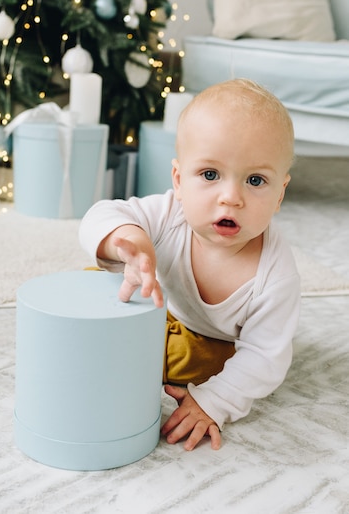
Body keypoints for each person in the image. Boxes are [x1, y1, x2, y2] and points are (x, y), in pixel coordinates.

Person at [79, 78, 301, 452]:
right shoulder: (170, 214)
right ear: (179, 181)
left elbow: (265, 357)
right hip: (158, 303)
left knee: (206, 363)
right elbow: (102, 213)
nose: (231, 198)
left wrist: (213, 402)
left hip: (213, 337)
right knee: (98, 280)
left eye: (255, 180)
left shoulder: (275, 276)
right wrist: (133, 245)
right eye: (210, 175)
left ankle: (158, 358)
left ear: (280, 193)